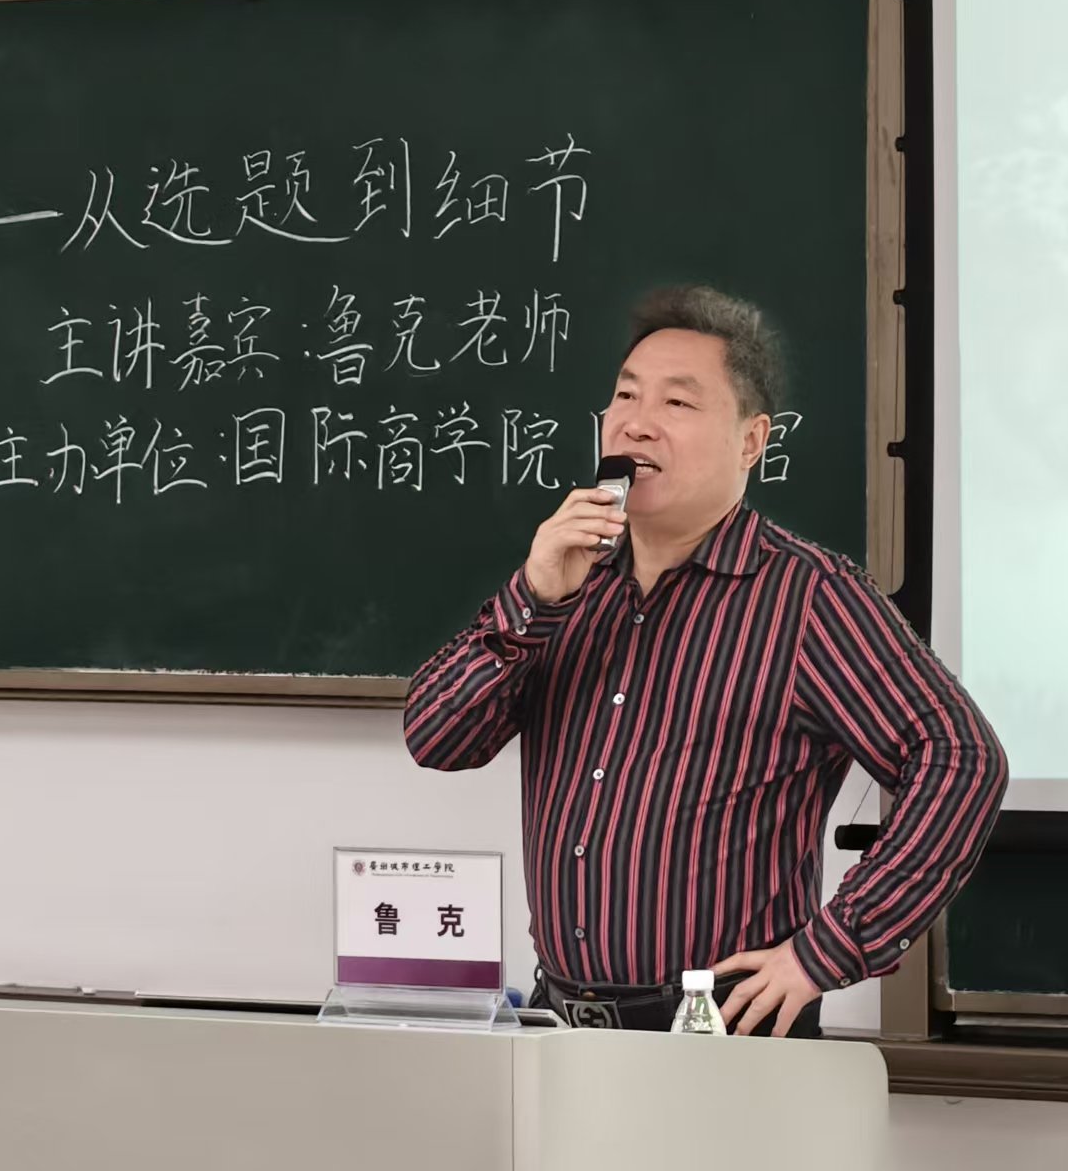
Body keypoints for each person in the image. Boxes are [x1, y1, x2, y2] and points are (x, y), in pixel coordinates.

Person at [404, 285, 1007, 1037]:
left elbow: (961, 759)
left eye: (678, 403)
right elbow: (437, 739)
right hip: (562, 1028)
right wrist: (533, 597)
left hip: (723, 1033)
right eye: (625, 395)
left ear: (751, 441)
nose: (635, 422)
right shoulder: (564, 581)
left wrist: (828, 949)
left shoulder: (806, 595)